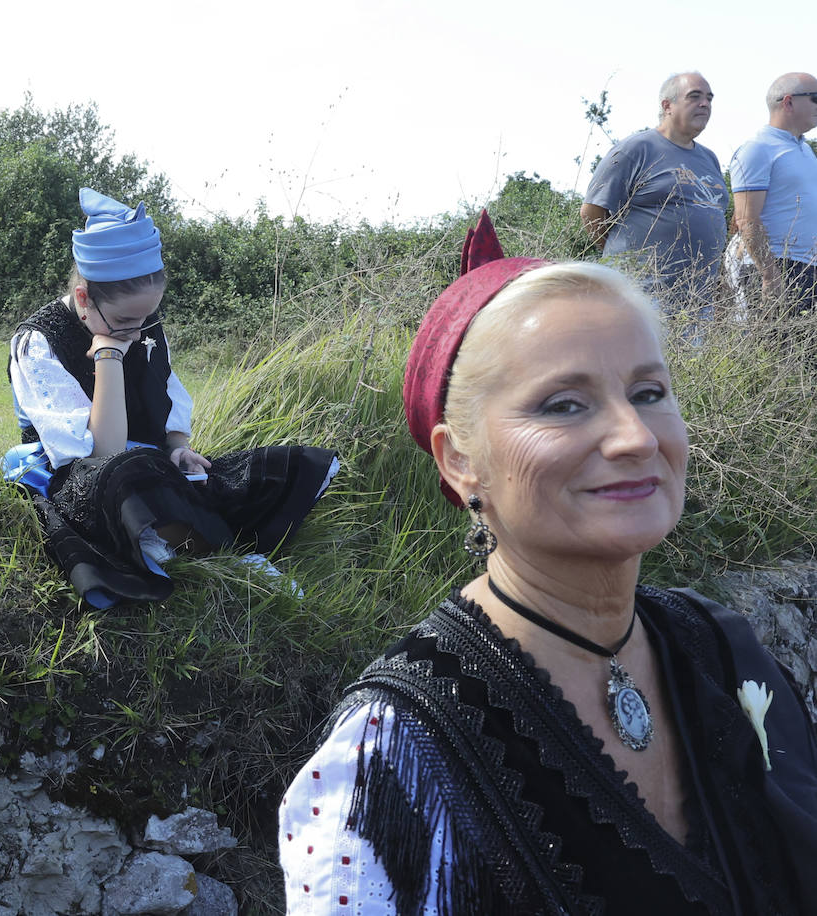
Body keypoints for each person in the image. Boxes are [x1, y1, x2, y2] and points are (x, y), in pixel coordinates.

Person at [278, 212, 817, 915]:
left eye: (649, 393)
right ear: (459, 459)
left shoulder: (719, 645)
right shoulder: (395, 757)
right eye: (565, 405)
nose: (633, 437)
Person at [4, 188, 339, 608]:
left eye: (146, 318)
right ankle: (220, 556)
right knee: (127, 476)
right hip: (77, 472)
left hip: (144, 457)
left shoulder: (140, 325)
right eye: (126, 320)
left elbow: (165, 388)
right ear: (85, 299)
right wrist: (108, 352)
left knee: (260, 471)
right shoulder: (38, 343)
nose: (138, 330)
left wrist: (178, 447)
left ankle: (210, 543)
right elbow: (100, 451)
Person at [580, 72, 727, 316]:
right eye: (694, 96)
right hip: (643, 296)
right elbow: (592, 212)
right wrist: (625, 261)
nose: (705, 104)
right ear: (667, 105)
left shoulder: (709, 158)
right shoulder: (636, 149)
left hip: (698, 299)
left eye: (709, 98)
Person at [731, 72, 817, 321]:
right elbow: (747, 218)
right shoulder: (758, 148)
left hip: (807, 269)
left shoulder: (804, 149)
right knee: (777, 355)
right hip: (779, 267)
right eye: (815, 98)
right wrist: (769, 275)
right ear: (788, 102)